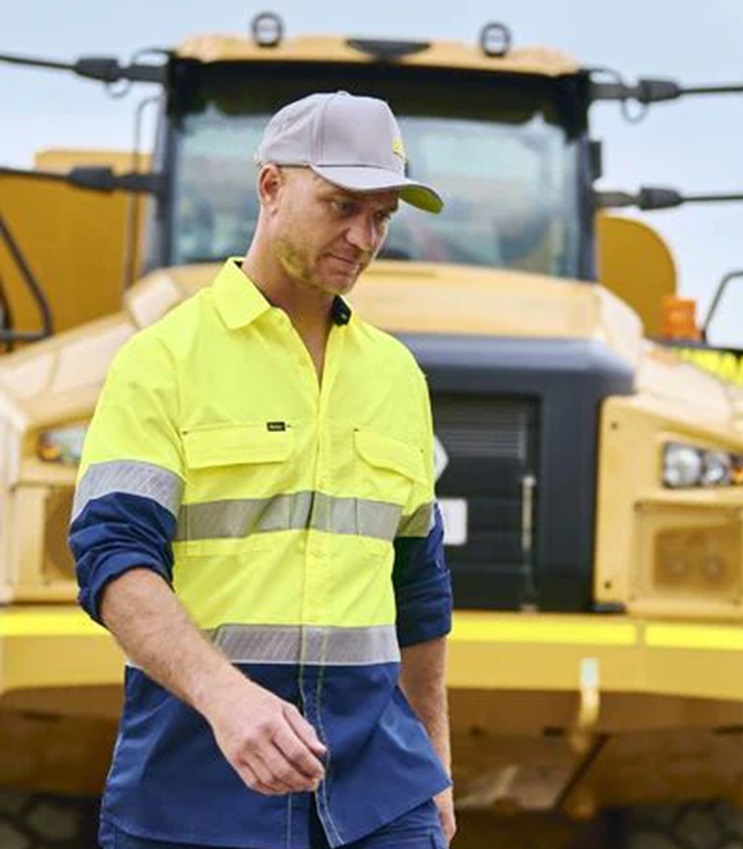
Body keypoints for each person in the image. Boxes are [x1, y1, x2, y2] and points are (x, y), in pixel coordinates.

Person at [69, 91, 454, 849]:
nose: (362, 236)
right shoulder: (163, 362)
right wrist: (228, 700)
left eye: (381, 216)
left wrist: (436, 760)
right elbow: (113, 560)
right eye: (341, 204)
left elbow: (419, 587)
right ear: (270, 186)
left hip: (380, 794)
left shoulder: (397, 376)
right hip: (196, 792)